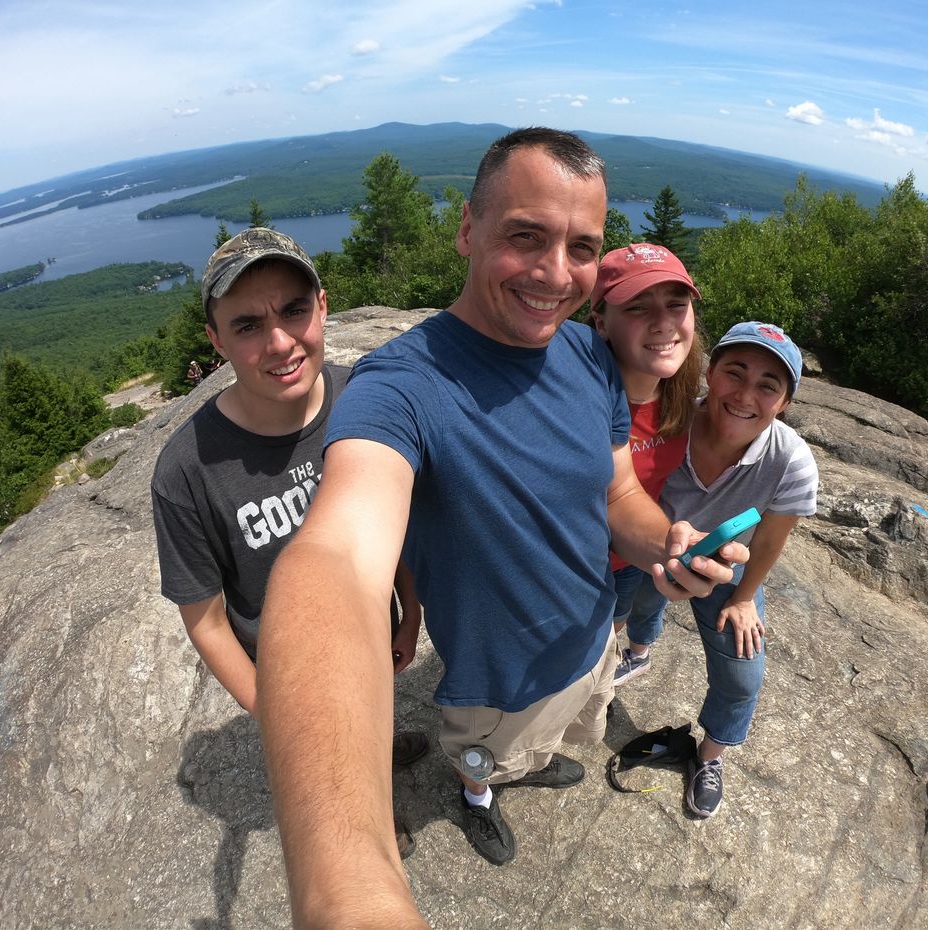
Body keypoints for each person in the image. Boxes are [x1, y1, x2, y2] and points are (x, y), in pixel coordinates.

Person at [257, 128, 748, 927]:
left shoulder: (590, 356)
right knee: (485, 756)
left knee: (554, 739)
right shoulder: (402, 386)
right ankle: (478, 793)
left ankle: (529, 766)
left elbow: (619, 488)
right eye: (526, 236)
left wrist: (664, 543)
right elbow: (339, 557)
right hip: (495, 674)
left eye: (582, 247)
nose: (556, 273)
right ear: (466, 229)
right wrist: (347, 885)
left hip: (591, 640)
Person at [149, 227, 427, 859]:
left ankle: (380, 751)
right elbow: (207, 620)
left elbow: (400, 523)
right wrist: (271, 711)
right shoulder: (188, 471)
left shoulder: (366, 399)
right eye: (247, 325)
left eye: (293, 310)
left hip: (374, 631)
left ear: (323, 306)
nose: (279, 342)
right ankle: (378, 817)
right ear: (216, 341)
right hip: (289, 672)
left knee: (373, 712)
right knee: (343, 790)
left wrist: (411, 612)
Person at [618, 321, 818, 820]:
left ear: (785, 402)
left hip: (725, 565)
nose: (745, 394)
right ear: (710, 371)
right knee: (642, 601)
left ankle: (709, 757)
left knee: (742, 671)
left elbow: (772, 537)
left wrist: (745, 597)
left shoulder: (790, 460)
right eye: (735, 372)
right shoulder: (669, 420)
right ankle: (639, 652)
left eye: (768, 385)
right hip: (652, 544)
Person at [588, 243, 705, 685]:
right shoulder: (580, 398)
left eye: (677, 304)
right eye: (638, 307)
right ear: (601, 322)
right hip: (576, 564)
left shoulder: (684, 397)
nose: (663, 322)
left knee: (610, 630)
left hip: (636, 556)